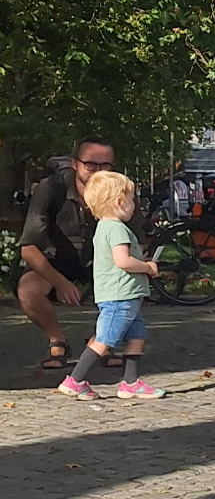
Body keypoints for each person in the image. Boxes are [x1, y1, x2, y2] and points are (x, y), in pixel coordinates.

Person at [55, 171, 164, 400]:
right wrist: (147, 267)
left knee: (137, 336)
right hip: (120, 297)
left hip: (128, 296)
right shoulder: (116, 229)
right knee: (104, 340)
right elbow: (123, 261)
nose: (134, 205)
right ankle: (75, 380)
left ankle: (131, 382)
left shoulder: (105, 227)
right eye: (132, 199)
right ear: (118, 202)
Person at [16, 137, 116, 373]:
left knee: (135, 286)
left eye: (105, 166)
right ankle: (57, 340)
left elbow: (138, 240)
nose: (97, 172)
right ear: (75, 164)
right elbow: (28, 247)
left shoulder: (120, 189)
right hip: (55, 260)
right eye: (90, 164)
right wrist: (58, 282)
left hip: (103, 260)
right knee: (28, 290)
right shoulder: (50, 189)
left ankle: (100, 342)